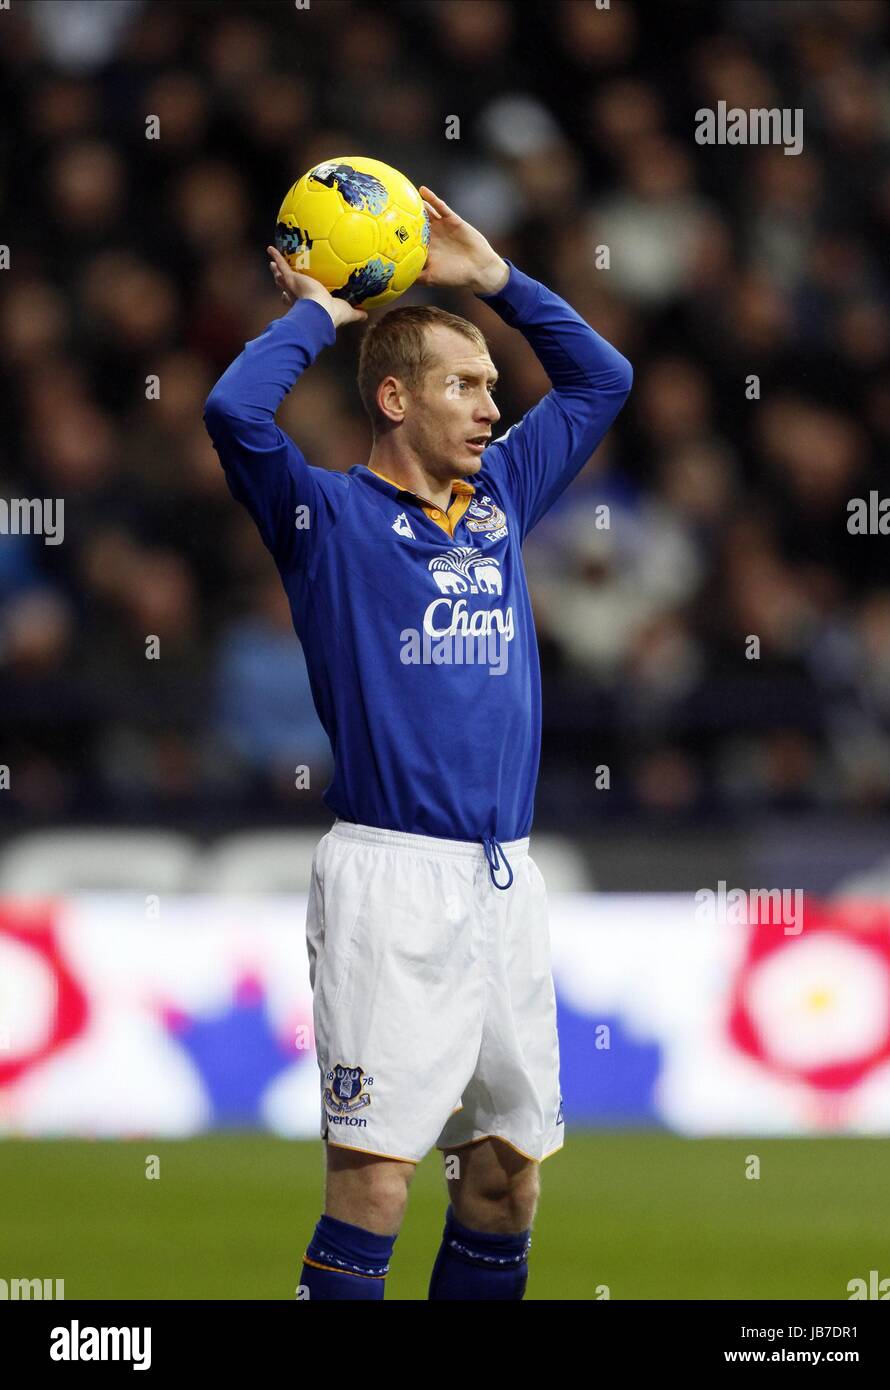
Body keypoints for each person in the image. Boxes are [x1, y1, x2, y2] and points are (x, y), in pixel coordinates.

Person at [203, 186, 633, 1300]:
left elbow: (602, 379)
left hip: (507, 879)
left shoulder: (498, 499)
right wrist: (318, 313)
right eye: (466, 384)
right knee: (375, 1186)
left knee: (503, 1180)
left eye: (494, 385)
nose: (494, 408)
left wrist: (495, 283)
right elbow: (233, 415)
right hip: (391, 881)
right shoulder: (325, 521)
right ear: (394, 398)